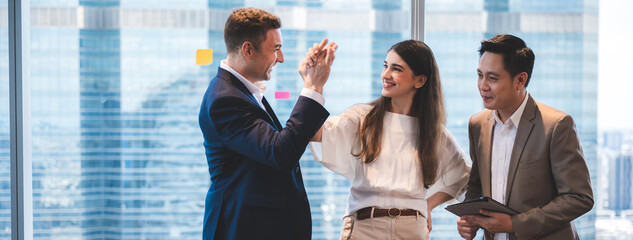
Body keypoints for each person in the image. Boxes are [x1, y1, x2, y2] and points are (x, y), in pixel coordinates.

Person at [307, 40, 470, 240]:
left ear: (419, 81)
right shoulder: (362, 118)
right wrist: (314, 84)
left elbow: (463, 176)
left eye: (396, 69)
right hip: (364, 228)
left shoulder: (434, 133)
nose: (385, 74)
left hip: (413, 231)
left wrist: (428, 205)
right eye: (385, 66)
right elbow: (315, 134)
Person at [198, 8, 337, 240]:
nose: (281, 59)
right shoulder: (225, 99)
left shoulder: (241, 92)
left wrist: (311, 80)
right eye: (276, 49)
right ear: (248, 49)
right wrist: (312, 87)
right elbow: (281, 153)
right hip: (242, 229)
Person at [456, 34, 594, 240]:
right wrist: (469, 219)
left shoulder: (556, 125)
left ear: (520, 80)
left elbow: (579, 197)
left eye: (492, 78)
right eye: (479, 75)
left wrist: (515, 224)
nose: (483, 86)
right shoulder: (477, 124)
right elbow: (477, 185)